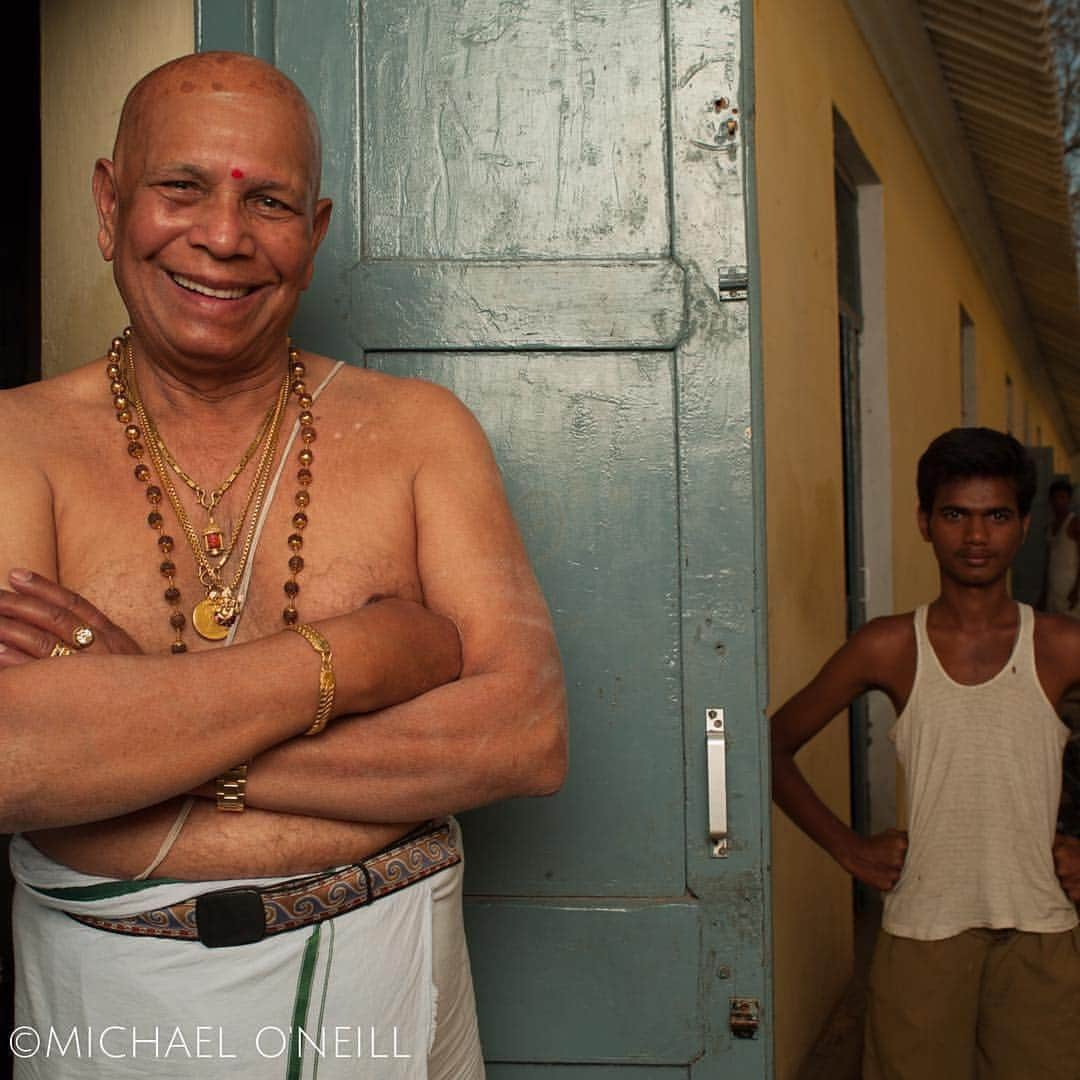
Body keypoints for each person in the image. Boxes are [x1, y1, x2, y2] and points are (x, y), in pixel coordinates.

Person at [0, 51, 567, 1078]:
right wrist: (356, 658)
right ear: (107, 201)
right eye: (180, 187)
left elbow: (524, 735)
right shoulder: (16, 444)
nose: (223, 237)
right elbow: (15, 760)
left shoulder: (420, 434)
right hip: (103, 1004)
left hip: (388, 976)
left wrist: (137, 721)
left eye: (268, 201)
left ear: (313, 237)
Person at [771, 427, 1080, 1080]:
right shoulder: (889, 646)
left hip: (1041, 933)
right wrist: (845, 846)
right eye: (955, 516)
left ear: (1023, 525)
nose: (975, 537)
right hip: (922, 935)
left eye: (996, 516)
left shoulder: (1058, 644)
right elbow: (773, 745)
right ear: (924, 522)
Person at [1043, 478, 1080, 616]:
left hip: (1071, 587)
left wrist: (1076, 590)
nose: (1059, 501)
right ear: (1050, 500)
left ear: (1069, 499)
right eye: (1055, 497)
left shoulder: (1074, 523)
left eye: (1063, 497)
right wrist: (1044, 591)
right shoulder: (1049, 527)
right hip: (1053, 588)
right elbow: (1048, 562)